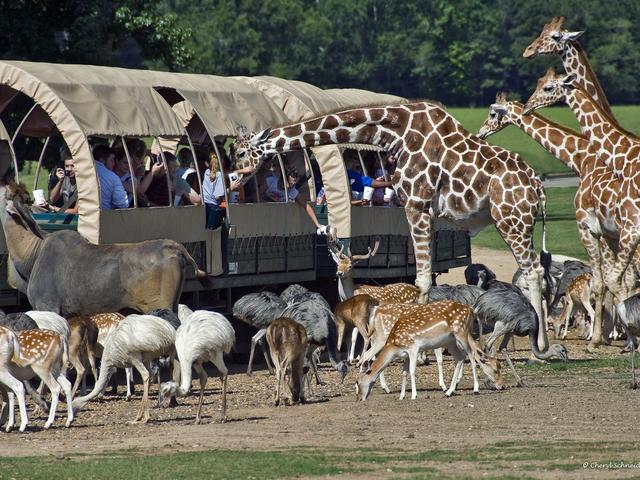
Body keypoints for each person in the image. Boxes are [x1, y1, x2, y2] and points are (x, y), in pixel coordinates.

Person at [93, 144, 129, 210]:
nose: (113, 164)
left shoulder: (83, 170)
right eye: (111, 160)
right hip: (104, 216)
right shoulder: (113, 178)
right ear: (102, 160)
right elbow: (122, 204)